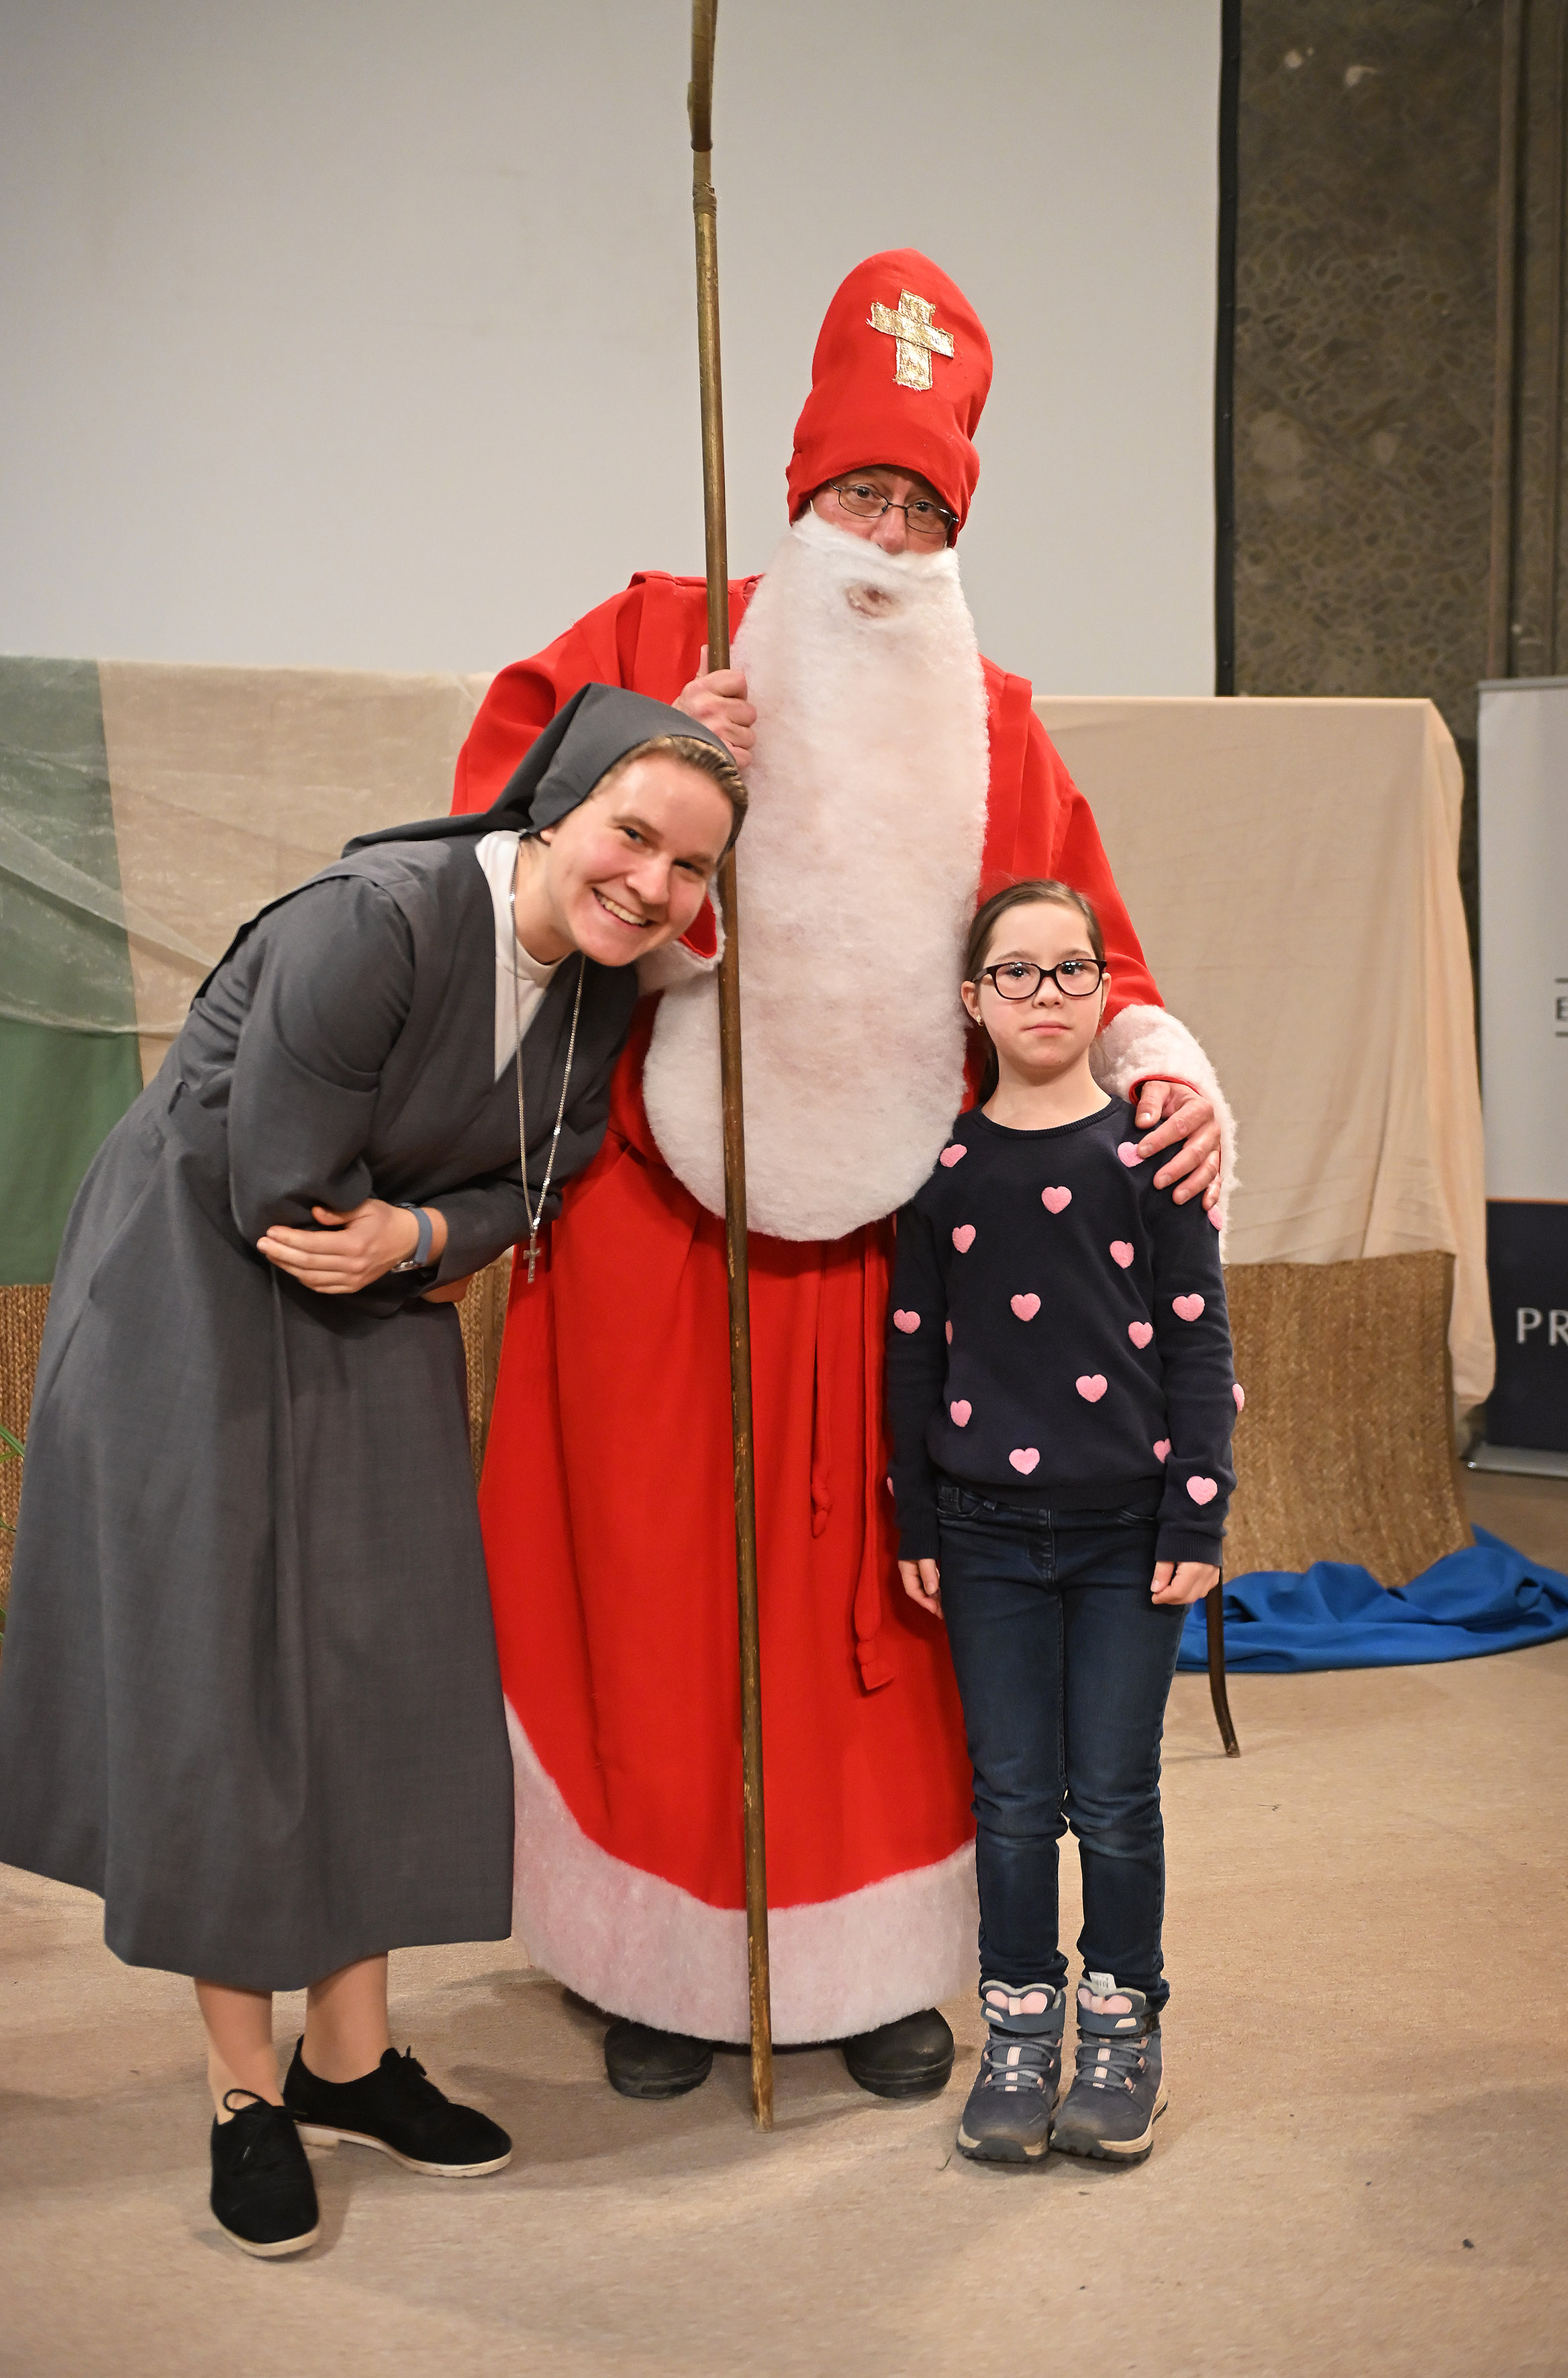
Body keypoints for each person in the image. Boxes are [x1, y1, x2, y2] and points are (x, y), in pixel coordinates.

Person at [454, 248, 1238, 2102]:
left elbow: (1086, 948)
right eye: (858, 494)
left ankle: (872, 1961)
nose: (882, 537)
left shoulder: (995, 719)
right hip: (650, 1234)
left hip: (902, 1262)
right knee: (652, 1593)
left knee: (879, 1616)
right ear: (799, 488)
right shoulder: (653, 634)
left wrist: (1161, 1062)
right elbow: (492, 849)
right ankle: (659, 1964)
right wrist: (650, 755)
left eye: (919, 508)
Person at [0, 688, 744, 2256]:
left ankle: (347, 2059)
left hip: (371, 1285)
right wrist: (425, 1236)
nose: (653, 885)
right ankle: (241, 2089)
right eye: (632, 835)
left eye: (690, 867)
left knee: (385, 1659)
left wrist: (421, 1233)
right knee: (233, 1685)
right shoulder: (376, 921)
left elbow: (550, 1173)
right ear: (550, 811)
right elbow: (283, 1191)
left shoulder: (600, 985)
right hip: (195, 1292)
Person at [887, 879, 1236, 2165]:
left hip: (1126, 1537)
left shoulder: (1152, 1158)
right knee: (1014, 1798)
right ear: (972, 1000)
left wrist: (1195, 1517)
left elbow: (1198, 1347)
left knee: (1117, 1796)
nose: (1044, 993)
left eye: (1070, 969)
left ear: (1105, 990)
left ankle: (1121, 2026)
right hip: (982, 1533)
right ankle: (1019, 2027)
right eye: (1015, 972)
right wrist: (917, 1520)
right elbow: (912, 1355)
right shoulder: (939, 1171)